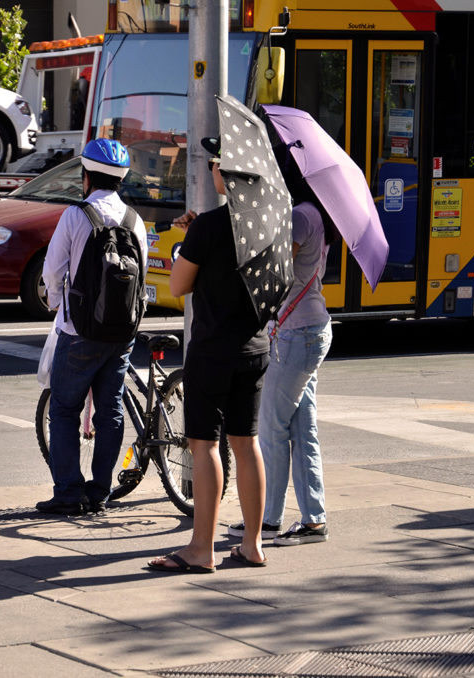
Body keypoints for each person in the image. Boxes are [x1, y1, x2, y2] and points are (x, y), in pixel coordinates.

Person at [147, 137, 271, 573]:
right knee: (247, 443)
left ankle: (202, 548)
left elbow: (179, 285)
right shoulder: (270, 223)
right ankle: (253, 544)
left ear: (227, 173)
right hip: (255, 347)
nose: (212, 169)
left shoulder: (209, 226)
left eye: (216, 162)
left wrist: (188, 241)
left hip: (213, 351)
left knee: (204, 446)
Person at [36, 138, 147, 516]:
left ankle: (69, 492)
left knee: (64, 410)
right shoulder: (135, 220)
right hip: (122, 335)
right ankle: (100, 491)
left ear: (86, 176)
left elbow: (53, 271)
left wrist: (56, 304)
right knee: (110, 411)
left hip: (79, 331)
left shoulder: (76, 215)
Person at [227, 181, 335, 547]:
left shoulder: (302, 216)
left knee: (271, 430)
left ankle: (267, 519)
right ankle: (313, 519)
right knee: (302, 431)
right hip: (304, 329)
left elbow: (275, 269)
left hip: (296, 334)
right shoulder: (314, 215)